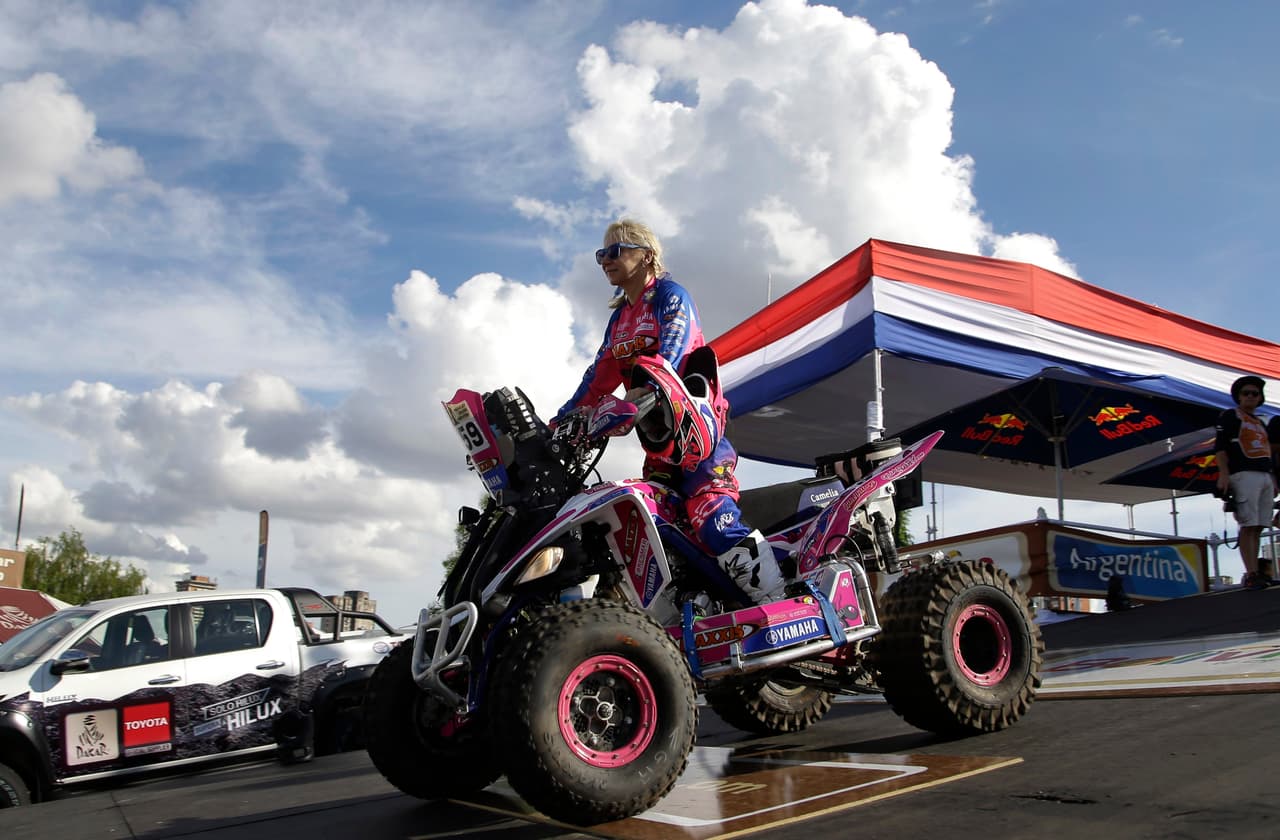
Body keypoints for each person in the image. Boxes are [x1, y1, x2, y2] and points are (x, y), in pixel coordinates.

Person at [554, 219, 784, 602]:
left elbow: (672, 352)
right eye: (600, 255)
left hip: (698, 434)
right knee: (655, 533)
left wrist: (642, 392)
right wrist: (560, 421)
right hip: (658, 443)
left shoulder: (670, 296)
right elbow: (597, 378)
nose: (605, 261)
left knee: (711, 519)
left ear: (646, 256)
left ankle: (776, 602)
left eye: (615, 251)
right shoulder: (619, 319)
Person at [1214, 375, 1274, 589]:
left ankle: (1256, 571)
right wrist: (1223, 474)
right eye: (1245, 393)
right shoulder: (1231, 416)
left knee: (1259, 525)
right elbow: (1220, 446)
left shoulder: (1260, 422)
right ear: (1238, 397)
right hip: (1243, 472)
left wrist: (1273, 478)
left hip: (1264, 473)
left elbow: (1268, 452)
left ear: (1260, 398)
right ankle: (1250, 573)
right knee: (1248, 524)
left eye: (1254, 393)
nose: (1250, 397)